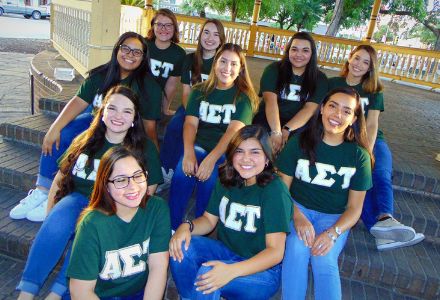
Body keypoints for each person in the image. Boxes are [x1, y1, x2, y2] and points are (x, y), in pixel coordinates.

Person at [16, 86, 163, 300]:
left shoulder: (144, 147)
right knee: (57, 220)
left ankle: (56, 294)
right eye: (112, 108)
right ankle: (26, 294)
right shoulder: (86, 139)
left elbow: (146, 192)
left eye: (127, 111)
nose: (118, 116)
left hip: (113, 208)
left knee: (89, 228)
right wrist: (50, 215)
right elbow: (60, 178)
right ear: (102, 112)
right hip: (78, 199)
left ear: (134, 119)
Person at [9, 31, 162, 222]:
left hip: (125, 130)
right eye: (126, 49)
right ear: (117, 50)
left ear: (143, 57)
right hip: (95, 123)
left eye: (137, 52)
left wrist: (153, 157)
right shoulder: (100, 75)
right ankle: (43, 189)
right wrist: (54, 128)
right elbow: (79, 101)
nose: (130, 55)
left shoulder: (149, 86)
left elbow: (149, 126)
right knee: (63, 134)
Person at [169, 125, 293, 300]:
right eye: (239, 151)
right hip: (226, 252)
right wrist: (186, 226)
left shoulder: (275, 190)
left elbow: (275, 252)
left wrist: (230, 271)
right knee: (181, 245)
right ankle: (190, 297)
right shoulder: (227, 178)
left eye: (255, 152)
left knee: (209, 274)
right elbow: (208, 220)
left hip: (263, 272)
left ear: (267, 157)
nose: (246, 159)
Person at [278, 87, 374, 299]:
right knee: (296, 247)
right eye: (332, 106)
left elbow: (355, 208)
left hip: (335, 217)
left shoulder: (359, 156)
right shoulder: (299, 142)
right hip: (298, 207)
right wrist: (297, 216)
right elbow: (281, 190)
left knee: (324, 256)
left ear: (354, 118)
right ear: (321, 108)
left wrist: (332, 233)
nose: (337, 115)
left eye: (346, 111)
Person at [328, 45, 424, 251]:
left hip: (371, 140)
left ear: (371, 67)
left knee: (379, 172)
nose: (359, 65)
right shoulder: (332, 84)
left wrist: (367, 150)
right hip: (343, 141)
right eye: (357, 58)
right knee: (357, 181)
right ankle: (381, 233)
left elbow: (372, 124)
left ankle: (386, 218)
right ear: (349, 58)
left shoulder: (374, 90)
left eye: (366, 62)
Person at [168, 43, 259, 231]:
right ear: (215, 63)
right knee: (182, 171)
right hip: (200, 145)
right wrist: (188, 153)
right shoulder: (199, 91)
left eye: (234, 64)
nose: (227, 68)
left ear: (241, 68)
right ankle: (171, 227)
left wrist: (211, 160)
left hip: (229, 151)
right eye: (223, 61)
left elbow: (233, 132)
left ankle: (199, 230)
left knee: (210, 179)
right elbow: (190, 124)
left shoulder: (244, 97)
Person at [67, 146, 170, 300]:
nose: (132, 186)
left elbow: (158, 268)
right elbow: (81, 291)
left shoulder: (157, 209)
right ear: (105, 185)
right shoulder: (91, 224)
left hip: (138, 293)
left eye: (137, 176)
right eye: (121, 180)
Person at [158, 19, 226, 192]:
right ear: (200, 35)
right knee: (176, 126)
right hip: (192, 105)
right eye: (206, 32)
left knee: (194, 130)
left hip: (213, 109)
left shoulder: (222, 63)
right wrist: (192, 114)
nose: (210, 38)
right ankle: (165, 170)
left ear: (221, 40)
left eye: (216, 34)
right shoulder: (189, 60)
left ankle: (179, 169)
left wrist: (203, 117)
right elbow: (186, 93)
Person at [253, 32, 329, 154]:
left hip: (300, 121)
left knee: (299, 143)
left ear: (312, 54)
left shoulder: (319, 78)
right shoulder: (273, 70)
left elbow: (309, 109)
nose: (299, 54)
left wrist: (287, 129)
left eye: (305, 50)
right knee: (263, 140)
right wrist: (276, 131)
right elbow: (270, 101)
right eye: (294, 49)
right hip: (270, 117)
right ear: (288, 51)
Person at [145, 8, 186, 116]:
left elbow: (171, 85)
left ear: (174, 27)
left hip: (154, 97)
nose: (163, 29)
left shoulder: (179, 54)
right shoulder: (143, 44)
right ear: (153, 26)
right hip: (134, 92)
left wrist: (165, 109)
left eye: (168, 25)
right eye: (159, 24)